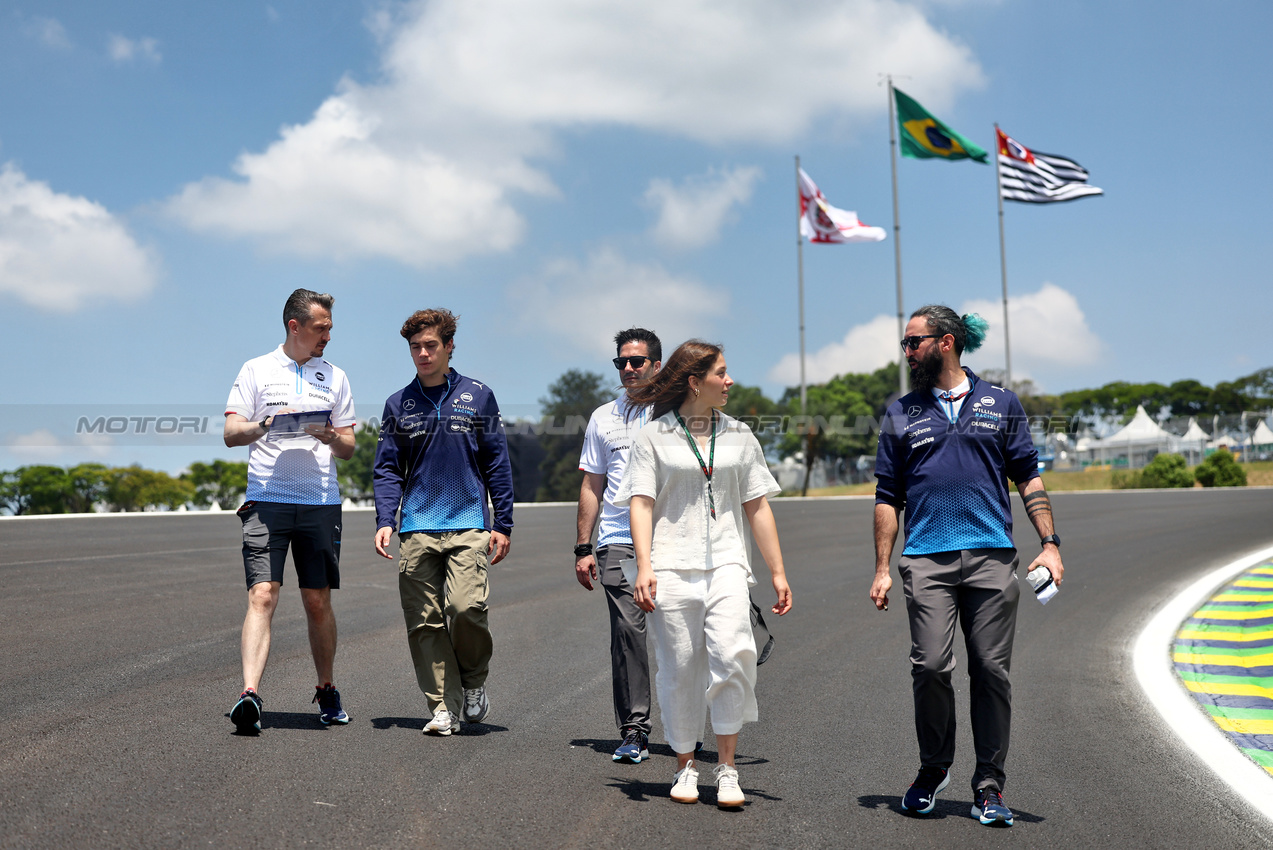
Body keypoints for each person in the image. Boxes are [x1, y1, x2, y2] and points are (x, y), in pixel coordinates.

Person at [869, 305, 1065, 827]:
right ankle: (933, 770)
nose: (907, 351)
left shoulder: (1001, 403)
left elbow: (1029, 478)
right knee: (930, 666)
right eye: (905, 343)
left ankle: (989, 785)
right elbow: (887, 496)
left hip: (992, 556)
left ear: (947, 341)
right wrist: (883, 567)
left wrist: (1050, 543)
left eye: (914, 342)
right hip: (926, 558)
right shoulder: (900, 411)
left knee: (991, 671)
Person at [615, 340, 792, 809]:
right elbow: (641, 503)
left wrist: (777, 572)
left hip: (729, 565)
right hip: (671, 567)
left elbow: (757, 506)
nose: (730, 381)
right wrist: (646, 565)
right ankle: (685, 767)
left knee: (734, 655)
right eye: (722, 373)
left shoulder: (741, 435)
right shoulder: (653, 437)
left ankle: (728, 769)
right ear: (695, 381)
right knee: (679, 668)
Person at [373, 308, 514, 736]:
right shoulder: (398, 404)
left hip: (470, 523)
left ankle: (473, 684)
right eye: (415, 347)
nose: (423, 353)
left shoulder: (479, 395)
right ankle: (442, 707)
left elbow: (498, 463)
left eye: (431, 345)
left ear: (449, 345)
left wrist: (503, 523)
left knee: (465, 608)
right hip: (416, 526)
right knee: (424, 622)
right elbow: (387, 468)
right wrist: (386, 519)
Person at [223, 288, 357, 733]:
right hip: (267, 501)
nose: (328, 337)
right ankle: (249, 694)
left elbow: (350, 448)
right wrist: (265, 424)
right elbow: (230, 432)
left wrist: (330, 436)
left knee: (317, 602)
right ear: (295, 326)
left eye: (331, 329)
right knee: (262, 595)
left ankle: (326, 689)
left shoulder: (335, 376)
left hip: (320, 502)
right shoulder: (255, 369)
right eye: (322, 328)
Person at [576, 328, 663, 764]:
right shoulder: (602, 418)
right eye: (621, 362)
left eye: (637, 361)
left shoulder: (679, 413)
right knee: (629, 630)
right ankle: (634, 726)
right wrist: (582, 546)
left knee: (683, 635)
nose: (628, 369)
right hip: (618, 540)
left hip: (672, 540)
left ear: (657, 366)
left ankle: (688, 722)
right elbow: (593, 482)